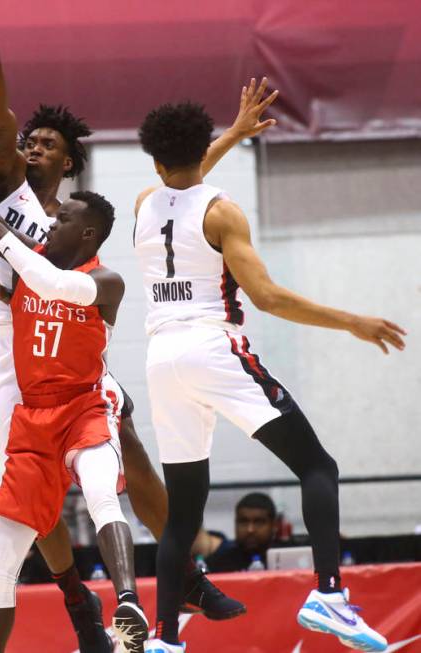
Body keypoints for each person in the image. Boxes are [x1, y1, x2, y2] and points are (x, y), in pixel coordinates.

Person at [0, 15, 273, 647]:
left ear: (69, 161)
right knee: (34, 478)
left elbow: (177, 181)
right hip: (4, 348)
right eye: (28, 141)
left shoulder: (77, 220)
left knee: (123, 436)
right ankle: (76, 598)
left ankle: (182, 572)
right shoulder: (3, 187)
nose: (30, 148)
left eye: (44, 143)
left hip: (68, 334)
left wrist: (232, 134)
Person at [131, 102, 406, 653]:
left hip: (160, 358)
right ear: (199, 149)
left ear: (156, 160)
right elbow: (267, 296)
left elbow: (182, 174)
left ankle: (164, 640)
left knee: (183, 508)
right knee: (316, 465)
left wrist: (232, 133)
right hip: (212, 345)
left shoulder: (143, 203)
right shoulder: (222, 213)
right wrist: (350, 320)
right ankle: (328, 596)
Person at [0, 171, 148, 652]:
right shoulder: (30, 270)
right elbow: (19, 265)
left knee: (102, 495)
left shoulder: (105, 282)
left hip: (83, 407)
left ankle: (128, 603)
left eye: (62, 219)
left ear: (88, 234)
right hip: (34, 421)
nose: (50, 224)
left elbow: (51, 284)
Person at [203, 493, 277, 572]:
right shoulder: (216, 565)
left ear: (274, 525)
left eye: (258, 522)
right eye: (243, 522)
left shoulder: (286, 559)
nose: (250, 529)